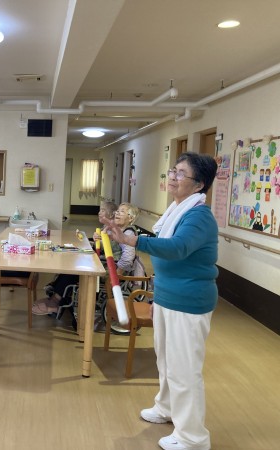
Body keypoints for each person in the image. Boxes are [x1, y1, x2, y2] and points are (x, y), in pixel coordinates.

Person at [105, 152, 218, 450]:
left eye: (181, 174)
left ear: (199, 184)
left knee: (184, 370)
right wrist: (158, 297)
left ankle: (192, 437)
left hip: (188, 301)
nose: (173, 178)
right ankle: (167, 407)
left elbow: (177, 248)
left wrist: (132, 240)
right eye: (173, 171)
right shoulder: (178, 210)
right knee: (166, 361)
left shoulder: (199, 216)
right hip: (168, 297)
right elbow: (165, 255)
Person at [32, 201, 128, 315]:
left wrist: (117, 273)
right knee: (70, 263)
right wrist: (94, 241)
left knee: (74, 269)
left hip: (108, 267)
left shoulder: (126, 233)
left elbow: (125, 257)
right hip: (102, 261)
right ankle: (55, 295)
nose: (99, 213)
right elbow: (104, 247)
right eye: (118, 211)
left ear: (130, 218)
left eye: (102, 210)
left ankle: (56, 301)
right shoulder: (109, 228)